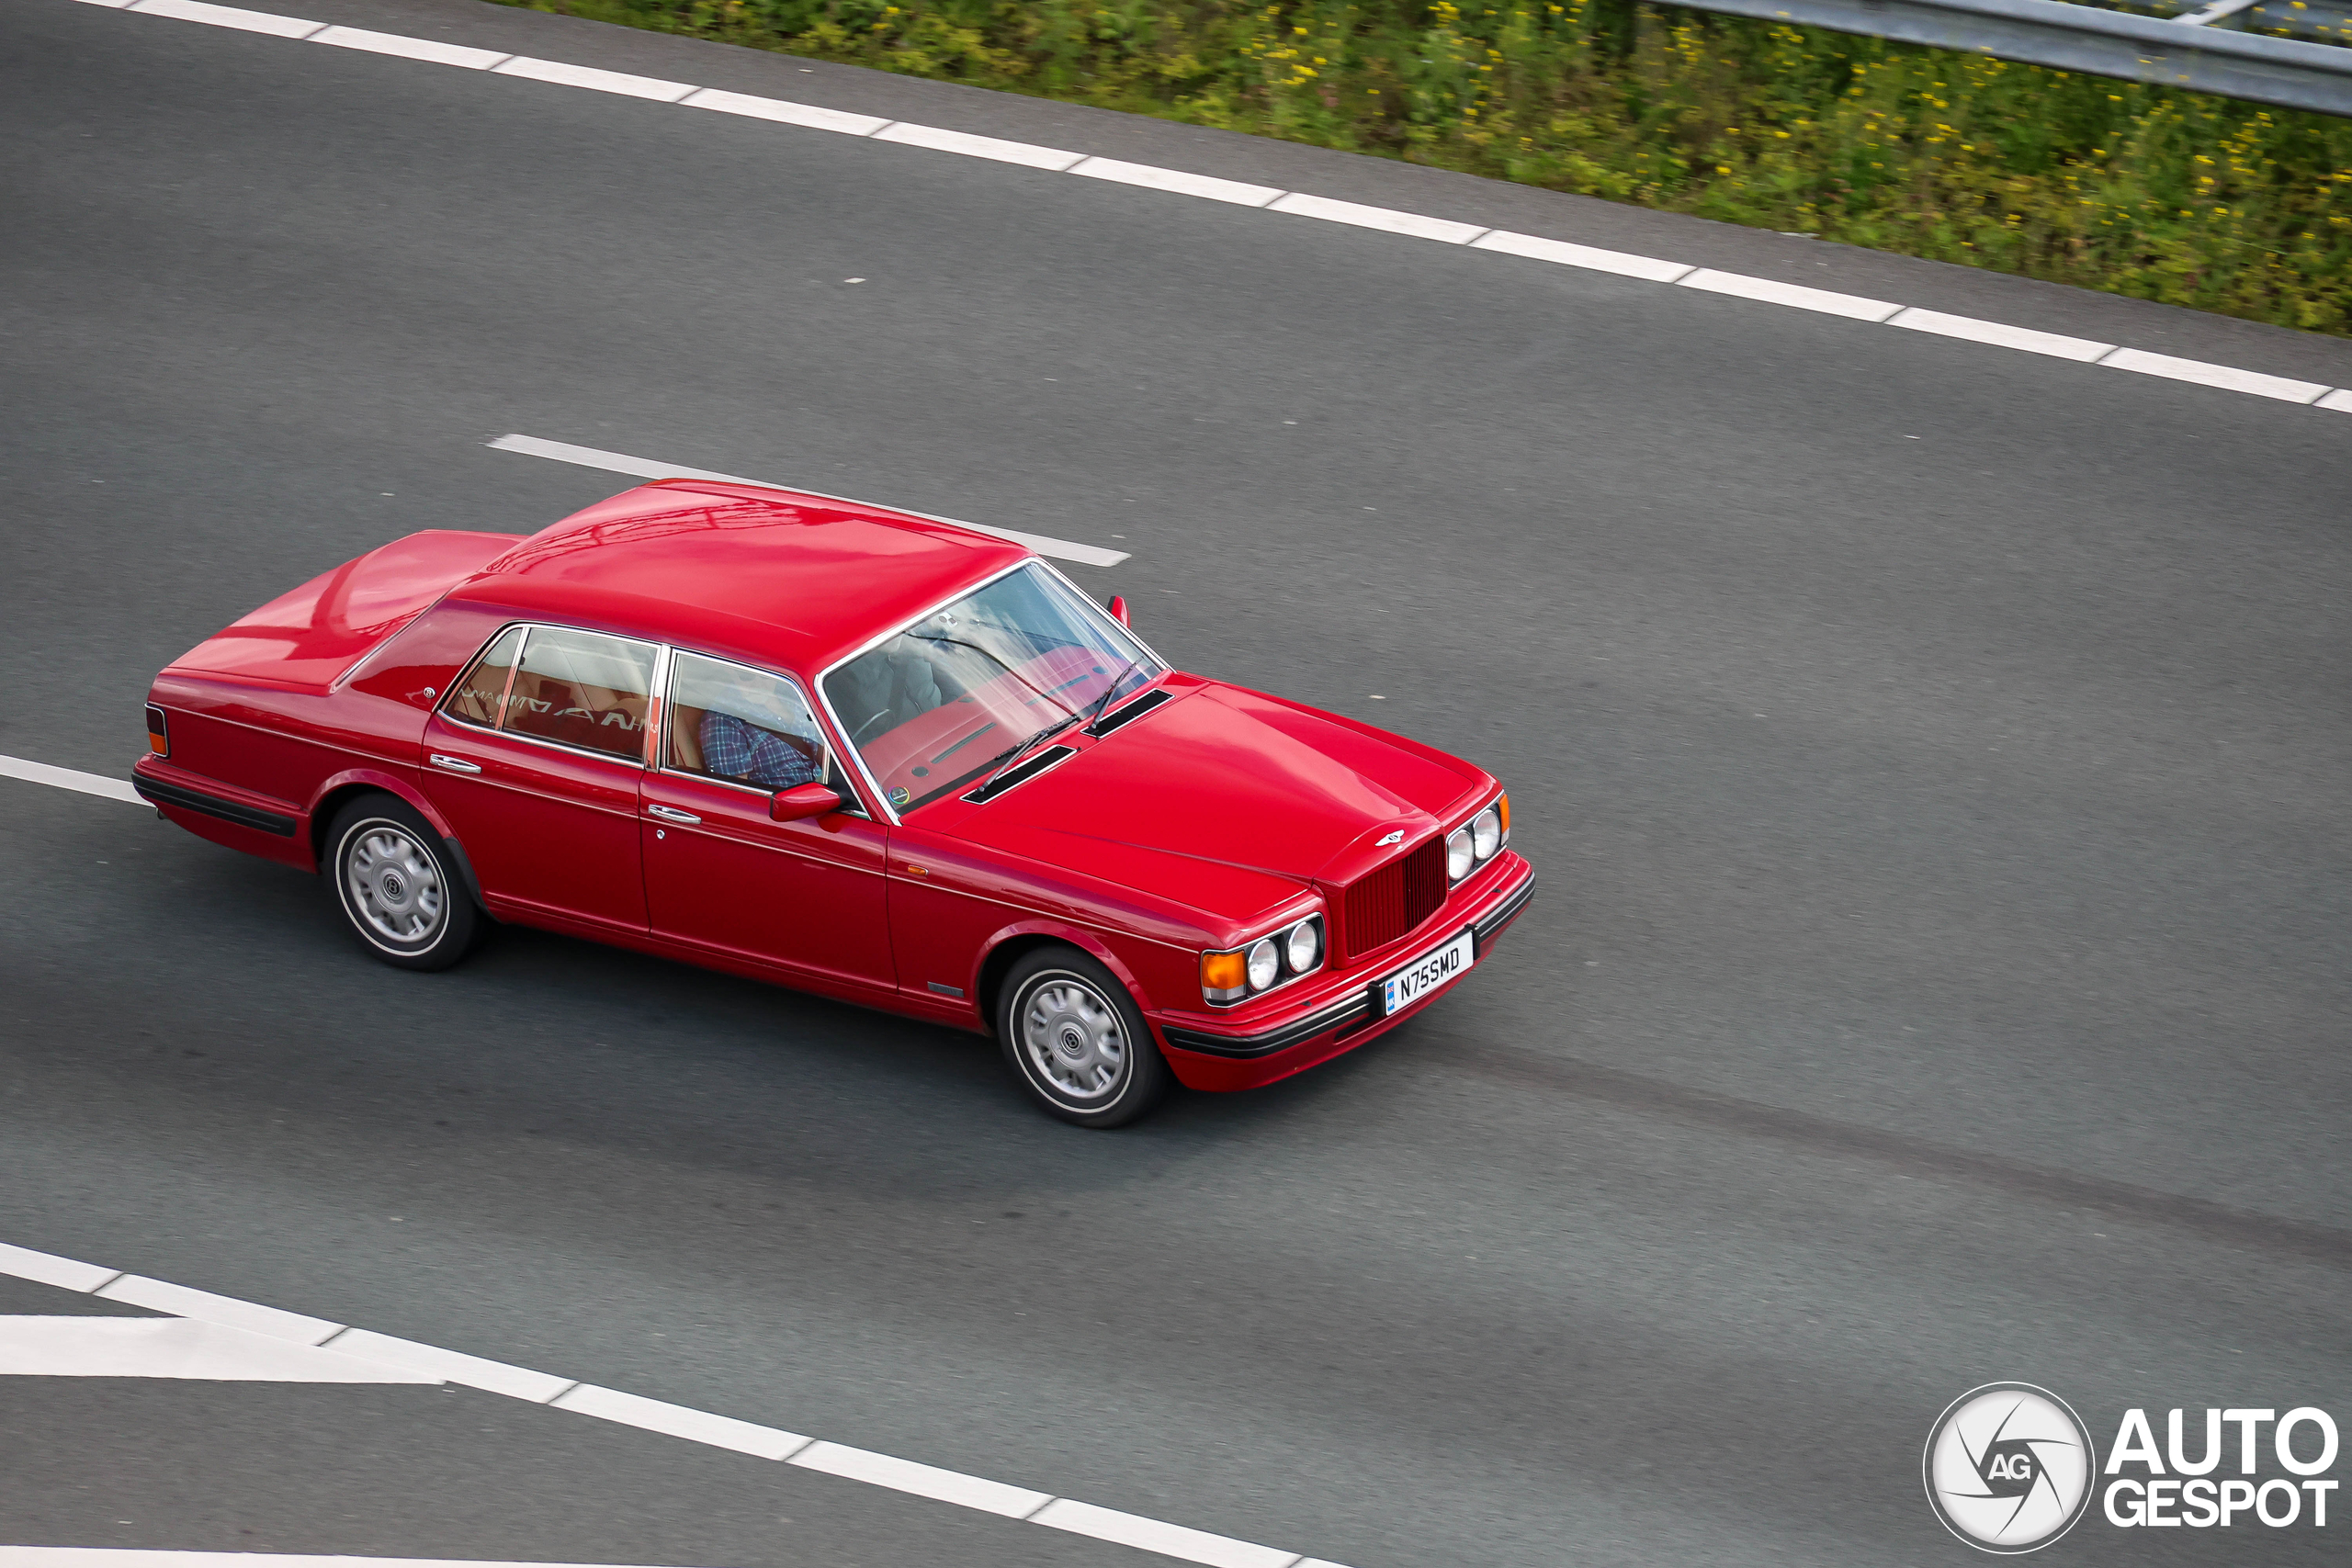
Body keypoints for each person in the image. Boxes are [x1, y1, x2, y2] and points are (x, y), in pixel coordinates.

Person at [700, 708, 819, 791]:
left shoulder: (793, 699)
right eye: (746, 677)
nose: (758, 682)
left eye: (766, 678)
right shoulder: (722, 721)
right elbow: (737, 796)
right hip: (783, 809)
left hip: (822, 789)